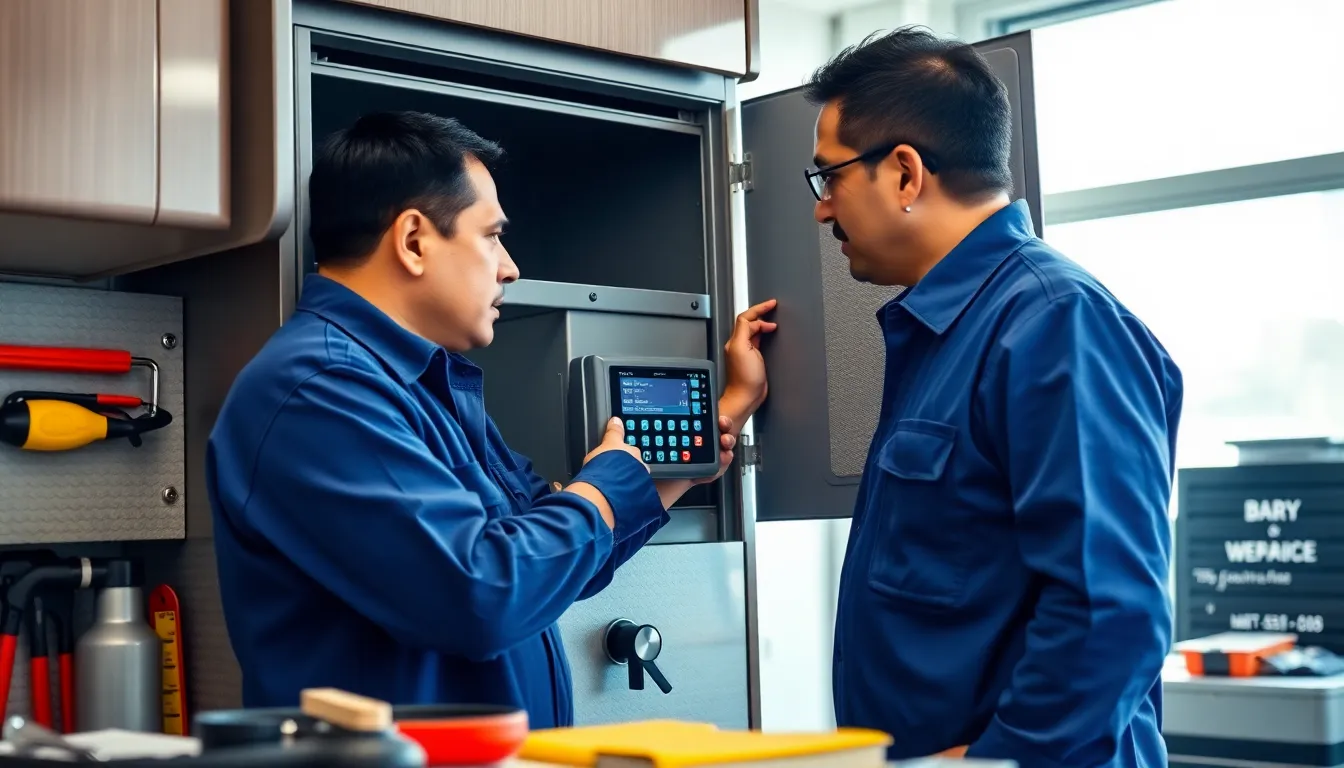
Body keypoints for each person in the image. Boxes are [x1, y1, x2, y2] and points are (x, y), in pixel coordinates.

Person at [204, 111, 777, 727]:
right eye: (491, 236)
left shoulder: (422, 385)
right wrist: (604, 488)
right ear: (414, 240)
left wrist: (690, 456)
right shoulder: (319, 391)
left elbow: (543, 566)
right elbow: (480, 595)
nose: (509, 267)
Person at [804, 28, 1182, 767]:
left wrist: (997, 760)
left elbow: (1111, 612)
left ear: (905, 173)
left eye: (830, 179)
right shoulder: (946, 331)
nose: (821, 211)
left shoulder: (1055, 324)